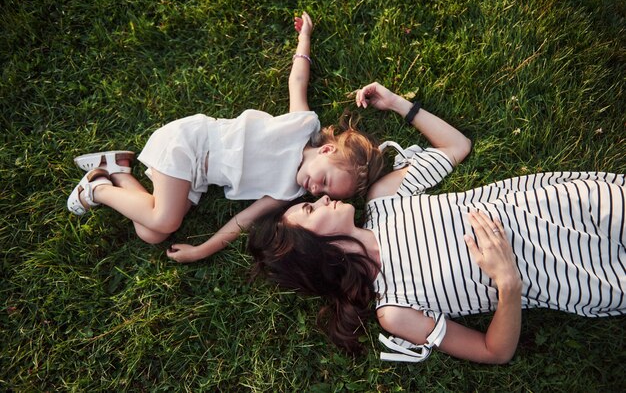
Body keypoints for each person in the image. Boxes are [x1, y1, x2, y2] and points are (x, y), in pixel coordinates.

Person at [248, 81, 626, 364]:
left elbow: (455, 147)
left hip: (575, 205)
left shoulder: (383, 200)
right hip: (583, 275)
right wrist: (508, 283)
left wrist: (397, 103)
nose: (322, 198)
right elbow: (493, 351)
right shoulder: (394, 309)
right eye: (310, 211)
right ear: (312, 250)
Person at [66, 12, 384, 263]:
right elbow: (297, 80)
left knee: (151, 232)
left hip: (197, 178)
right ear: (327, 150)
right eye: (324, 182)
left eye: (322, 193)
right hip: (191, 145)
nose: (315, 191)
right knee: (163, 220)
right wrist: (305, 37)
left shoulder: (289, 191)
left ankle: (118, 170)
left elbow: (242, 221)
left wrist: (202, 249)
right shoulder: (301, 125)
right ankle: (97, 188)